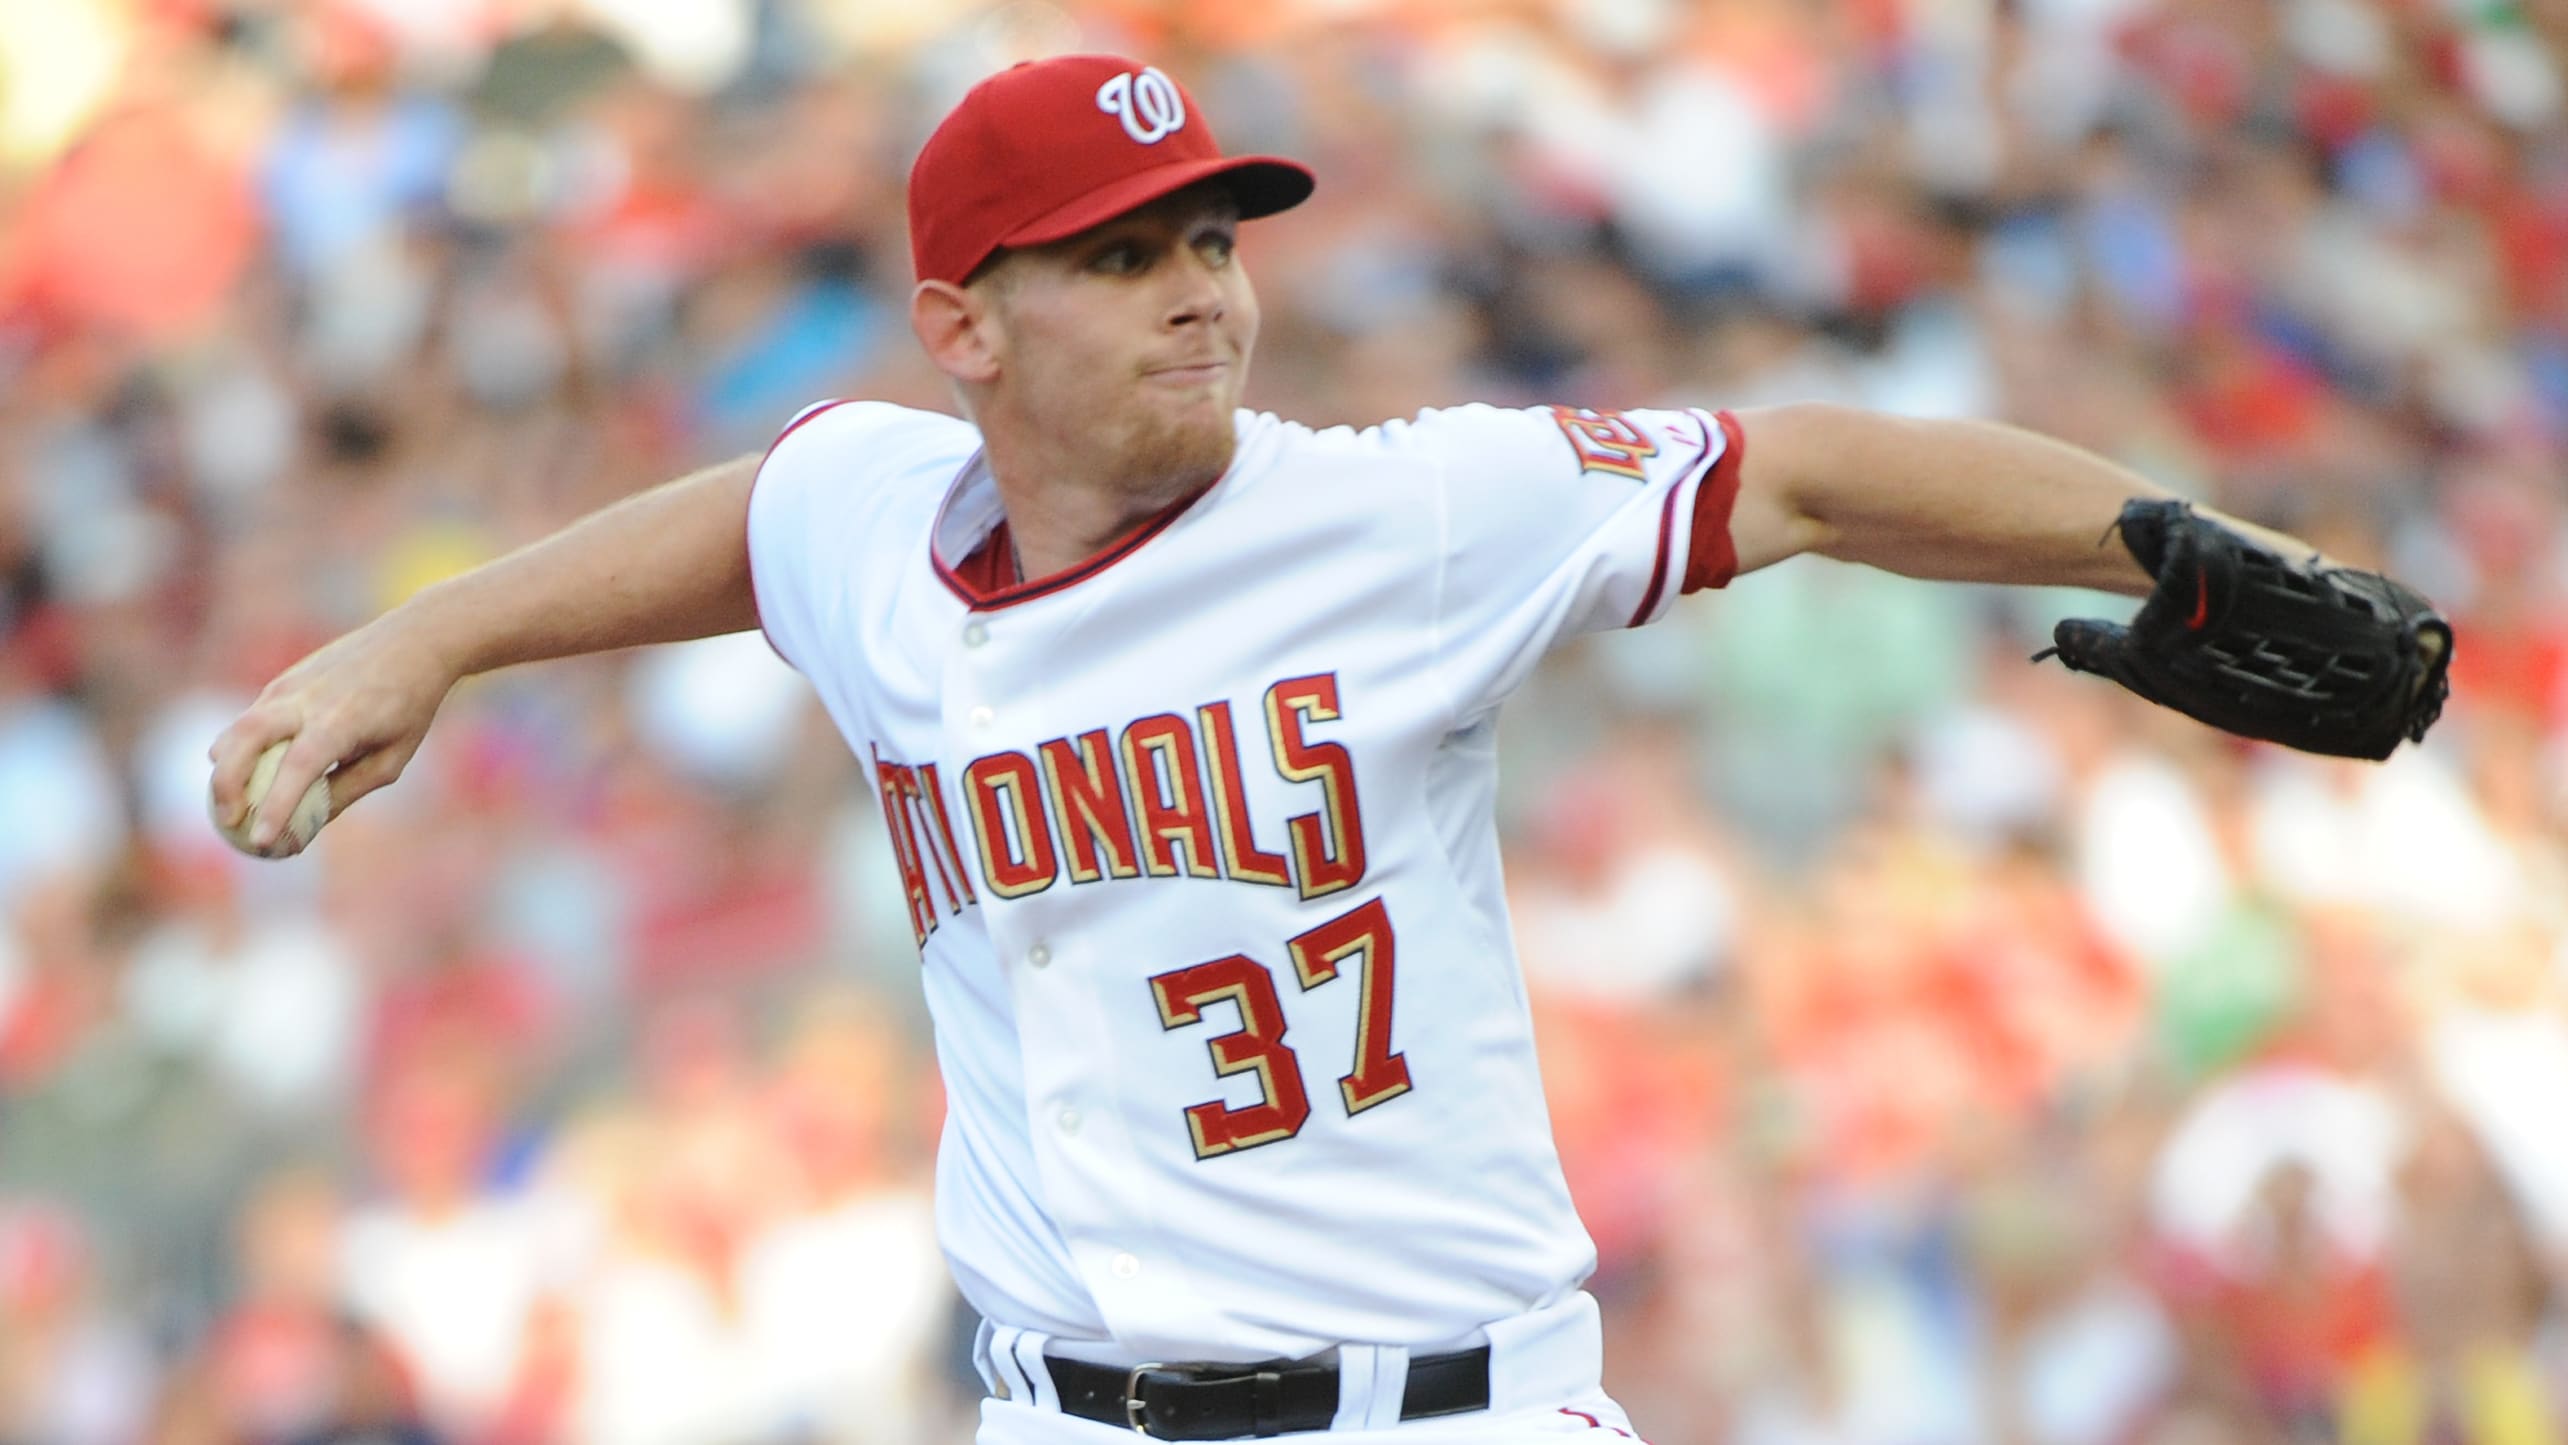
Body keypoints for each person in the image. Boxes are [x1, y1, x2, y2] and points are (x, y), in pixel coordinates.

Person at [211, 53, 2375, 1445]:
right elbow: (759, 515)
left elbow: (1796, 470)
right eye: (1127, 257)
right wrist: (433, 638)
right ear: (965, 329)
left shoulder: (1396, 511)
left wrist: (2166, 537)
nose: (1206, 296)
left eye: (1217, 242)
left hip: (1439, 1417)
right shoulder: (874, 520)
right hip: (1059, 1415)